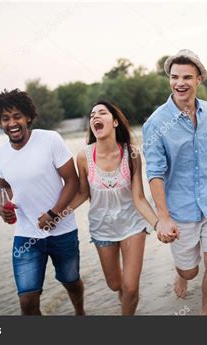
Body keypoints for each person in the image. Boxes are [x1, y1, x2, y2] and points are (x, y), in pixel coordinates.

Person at [142, 49, 207, 315]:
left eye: (187, 77)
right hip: (180, 211)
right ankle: (181, 273)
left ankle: (205, 315)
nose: (180, 83)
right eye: (175, 77)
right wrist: (163, 218)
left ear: (199, 79)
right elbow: (154, 173)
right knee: (190, 271)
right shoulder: (155, 123)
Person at [0, 89, 85, 315]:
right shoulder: (0, 154)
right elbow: (4, 186)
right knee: (28, 302)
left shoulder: (50, 139)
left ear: (28, 117)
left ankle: (80, 312)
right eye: (5, 118)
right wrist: (3, 206)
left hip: (63, 230)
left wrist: (54, 214)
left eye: (16, 116)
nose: (12, 123)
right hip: (25, 235)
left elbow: (72, 181)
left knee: (70, 281)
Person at [69, 101, 158, 315]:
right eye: (92, 115)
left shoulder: (132, 154)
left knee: (131, 286)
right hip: (102, 228)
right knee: (115, 285)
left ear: (115, 122)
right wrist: (56, 214)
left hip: (132, 225)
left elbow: (139, 198)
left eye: (102, 113)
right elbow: (82, 193)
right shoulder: (84, 156)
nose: (95, 117)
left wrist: (158, 223)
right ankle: (125, 299)